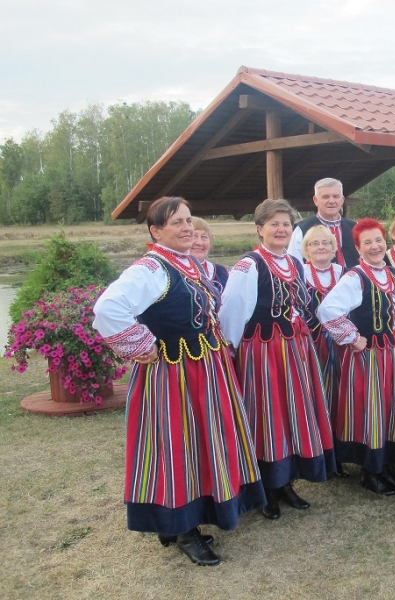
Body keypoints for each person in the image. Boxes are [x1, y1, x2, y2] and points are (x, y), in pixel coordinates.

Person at [93, 196, 265, 567]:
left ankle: (179, 523)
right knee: (177, 445)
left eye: (189, 221)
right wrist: (142, 344)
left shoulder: (185, 264)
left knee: (203, 441)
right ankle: (182, 529)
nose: (187, 228)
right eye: (177, 223)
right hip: (174, 374)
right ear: (156, 231)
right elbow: (108, 308)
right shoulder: (151, 268)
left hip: (206, 368)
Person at [220, 199, 336, 520]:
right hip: (263, 351)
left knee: (290, 414)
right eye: (274, 224)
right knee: (266, 414)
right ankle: (267, 487)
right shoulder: (249, 265)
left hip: (294, 349)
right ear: (260, 229)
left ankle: (286, 481)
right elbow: (232, 311)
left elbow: (296, 304)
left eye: (286, 224)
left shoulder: (295, 262)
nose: (281, 229)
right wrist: (233, 351)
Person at [318, 218, 395, 495]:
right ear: (358, 248)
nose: (375, 246)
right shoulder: (355, 277)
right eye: (367, 242)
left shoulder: (392, 273)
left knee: (389, 408)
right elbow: (327, 310)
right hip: (368, 358)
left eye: (378, 240)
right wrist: (352, 337)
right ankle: (370, 471)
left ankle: (384, 465)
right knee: (370, 410)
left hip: (394, 353)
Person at [300, 225, 347, 476]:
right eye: (314, 243)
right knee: (316, 396)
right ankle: (318, 451)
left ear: (334, 247)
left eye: (325, 243)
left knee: (339, 395)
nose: (320, 247)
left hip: (340, 344)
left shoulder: (344, 272)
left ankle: (337, 452)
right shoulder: (300, 272)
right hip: (312, 344)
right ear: (305, 249)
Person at [288, 178, 359, 269]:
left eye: (336, 196)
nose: (331, 201)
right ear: (315, 200)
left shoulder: (355, 227)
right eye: (325, 197)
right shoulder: (301, 230)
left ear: (342, 200)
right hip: (315, 282)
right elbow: (293, 265)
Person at [190, 217, 229, 293]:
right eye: (194, 236)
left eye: (204, 237)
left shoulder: (223, 272)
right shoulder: (174, 272)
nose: (199, 242)